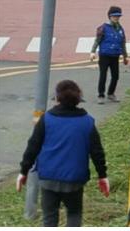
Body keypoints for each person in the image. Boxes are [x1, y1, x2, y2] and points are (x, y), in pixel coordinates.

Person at [17, 80, 109, 227]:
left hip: (48, 177)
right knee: (74, 214)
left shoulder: (46, 119)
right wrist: (102, 176)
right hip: (75, 180)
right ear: (79, 98)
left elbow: (33, 146)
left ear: (57, 98)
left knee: (49, 218)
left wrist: (23, 171)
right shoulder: (87, 122)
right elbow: (97, 153)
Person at [90, 6, 128, 104]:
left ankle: (111, 93)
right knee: (103, 75)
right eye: (114, 16)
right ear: (110, 16)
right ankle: (101, 95)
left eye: (118, 16)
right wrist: (92, 52)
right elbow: (97, 40)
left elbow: (123, 43)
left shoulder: (120, 29)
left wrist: (125, 56)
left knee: (115, 76)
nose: (116, 18)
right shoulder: (103, 28)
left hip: (115, 55)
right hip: (104, 55)